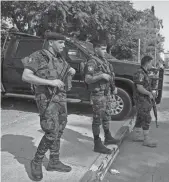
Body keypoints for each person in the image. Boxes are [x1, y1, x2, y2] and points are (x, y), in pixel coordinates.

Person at [21, 31, 76, 181]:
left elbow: (64, 73)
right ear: (51, 42)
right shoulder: (38, 56)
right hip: (46, 99)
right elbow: (26, 76)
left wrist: (71, 71)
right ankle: (37, 161)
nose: (63, 46)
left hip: (60, 98)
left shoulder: (60, 58)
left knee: (59, 130)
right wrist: (50, 82)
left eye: (64, 43)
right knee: (51, 132)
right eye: (60, 43)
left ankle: (54, 161)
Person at [84, 39, 119, 154]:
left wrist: (113, 88)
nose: (105, 51)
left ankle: (108, 137)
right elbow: (88, 79)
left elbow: (110, 76)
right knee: (97, 120)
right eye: (102, 49)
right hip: (98, 95)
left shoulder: (105, 62)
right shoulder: (92, 62)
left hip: (106, 93)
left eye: (105, 49)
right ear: (96, 49)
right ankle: (97, 143)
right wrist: (101, 76)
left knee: (106, 116)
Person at [132, 55, 158, 147]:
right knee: (146, 118)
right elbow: (139, 87)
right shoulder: (140, 73)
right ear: (147, 63)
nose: (152, 64)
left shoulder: (144, 72)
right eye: (151, 62)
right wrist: (149, 93)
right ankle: (146, 139)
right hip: (141, 99)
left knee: (140, 117)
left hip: (143, 99)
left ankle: (136, 135)